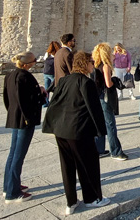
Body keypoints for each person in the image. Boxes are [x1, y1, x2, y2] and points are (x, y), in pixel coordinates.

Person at [43, 51, 111, 214]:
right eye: (91, 62)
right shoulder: (86, 83)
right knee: (88, 164)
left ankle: (71, 202)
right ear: (84, 64)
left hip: (61, 130)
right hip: (79, 131)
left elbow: (55, 102)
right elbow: (94, 109)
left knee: (67, 166)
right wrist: (100, 131)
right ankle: (92, 198)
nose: (93, 65)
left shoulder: (64, 80)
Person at [2, 51, 45, 203]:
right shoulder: (25, 77)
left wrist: (12, 113)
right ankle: (13, 193)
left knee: (13, 153)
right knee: (18, 155)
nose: (35, 62)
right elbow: (29, 101)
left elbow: (7, 98)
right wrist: (41, 93)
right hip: (25, 121)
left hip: (15, 118)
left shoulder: (10, 75)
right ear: (27, 64)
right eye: (34, 61)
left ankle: (8, 185)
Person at [92, 42, 129, 161]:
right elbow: (108, 84)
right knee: (110, 125)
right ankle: (116, 151)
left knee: (100, 124)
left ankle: (99, 150)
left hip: (97, 97)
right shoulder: (106, 66)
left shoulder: (94, 65)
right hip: (105, 97)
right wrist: (115, 81)